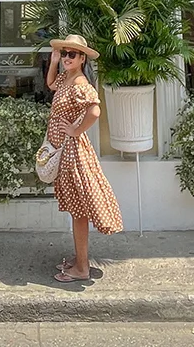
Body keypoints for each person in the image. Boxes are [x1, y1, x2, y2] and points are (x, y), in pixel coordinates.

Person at [45, 34, 123, 283]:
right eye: (64, 53)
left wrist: (76, 131)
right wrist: (54, 61)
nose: (67, 58)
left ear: (82, 59)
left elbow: (95, 110)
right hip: (65, 152)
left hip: (73, 152)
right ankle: (80, 259)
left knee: (79, 210)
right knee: (76, 208)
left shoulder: (80, 83)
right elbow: (51, 85)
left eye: (71, 54)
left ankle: (81, 268)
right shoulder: (66, 78)